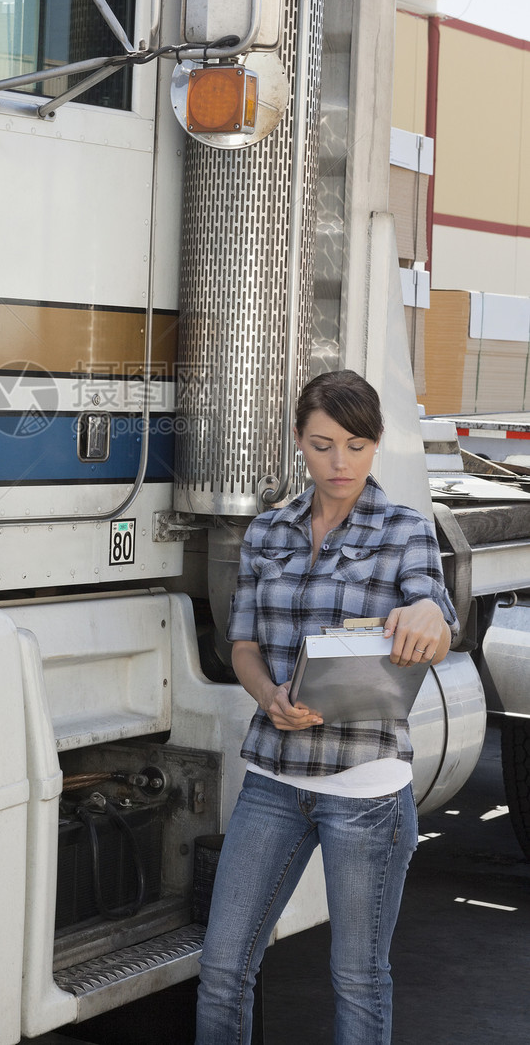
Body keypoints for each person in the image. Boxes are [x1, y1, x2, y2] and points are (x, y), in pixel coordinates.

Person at [195, 369, 458, 1045]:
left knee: (358, 978)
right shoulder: (267, 534)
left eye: (356, 445)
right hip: (274, 782)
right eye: (322, 444)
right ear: (297, 442)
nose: (339, 463)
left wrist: (429, 613)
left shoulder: (404, 530)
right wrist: (269, 697)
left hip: (366, 790)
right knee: (223, 968)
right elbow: (243, 645)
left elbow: (433, 606)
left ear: (375, 445)